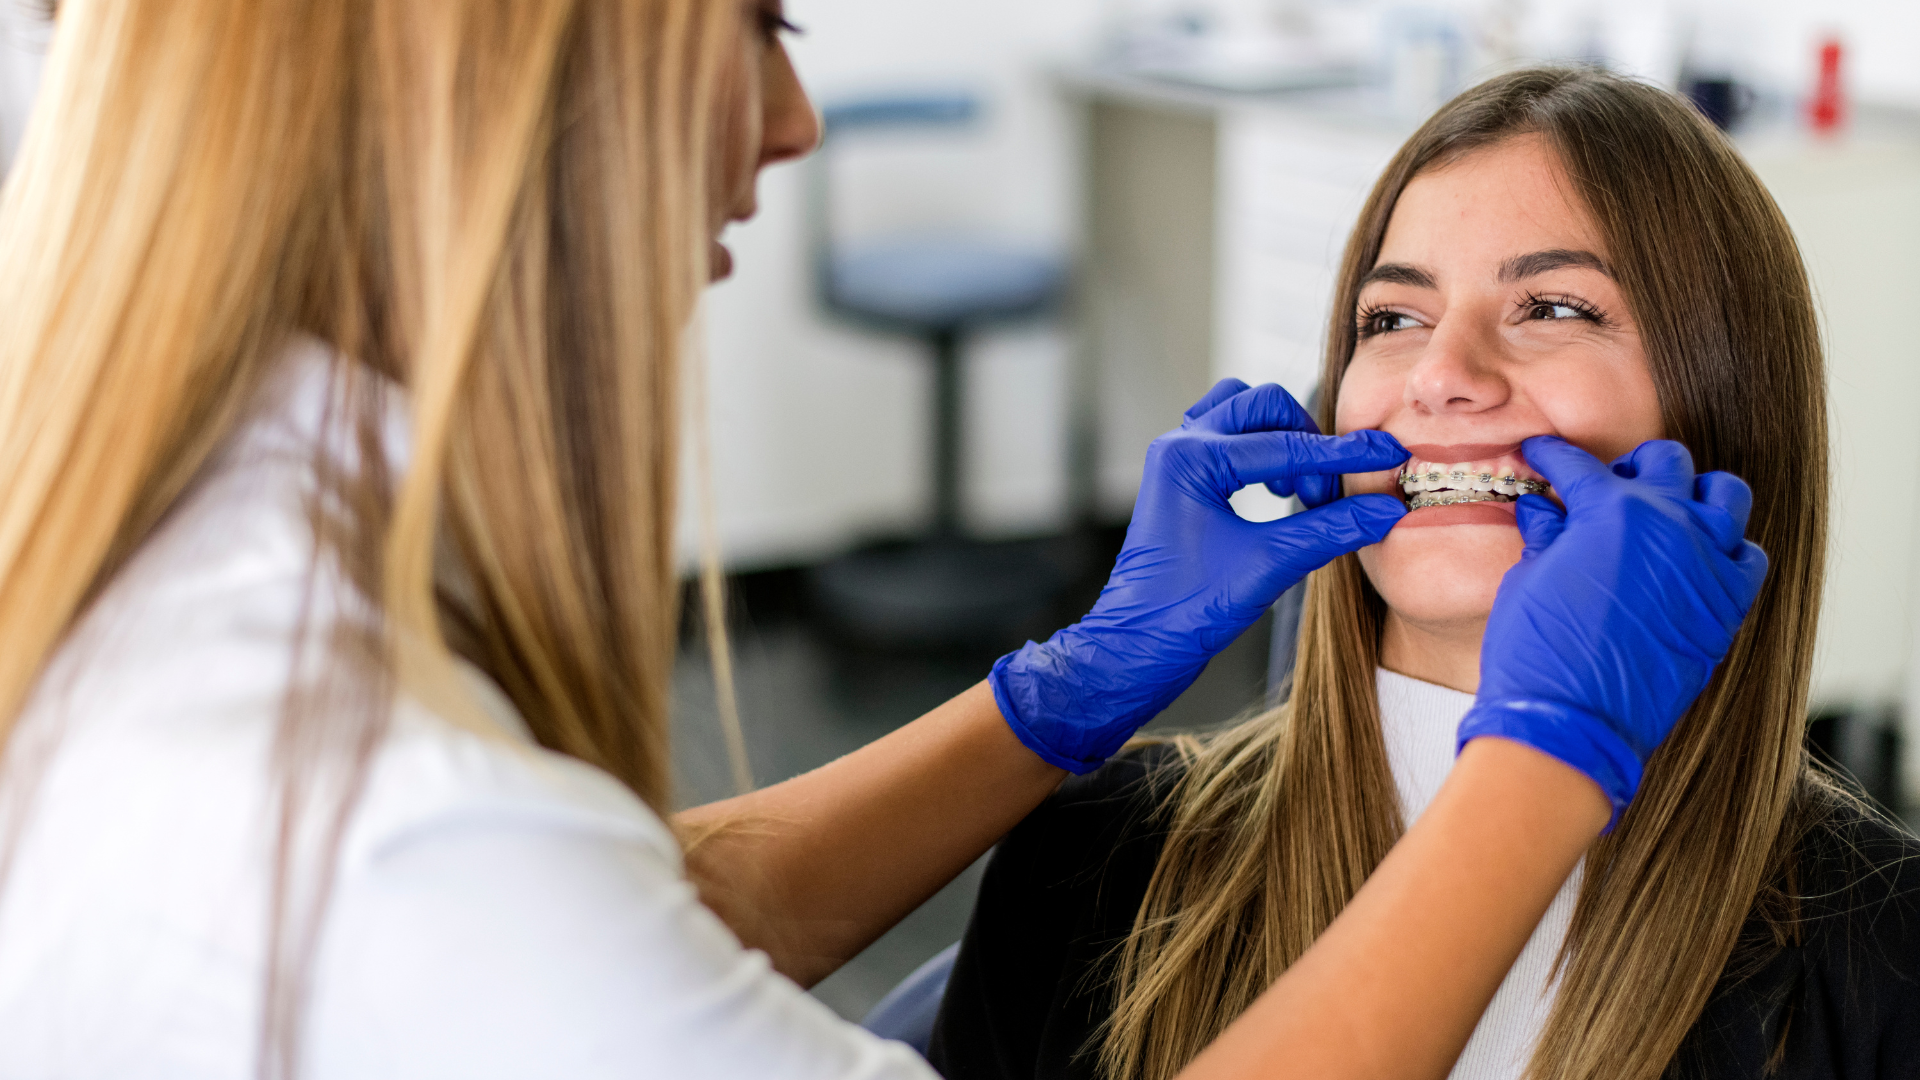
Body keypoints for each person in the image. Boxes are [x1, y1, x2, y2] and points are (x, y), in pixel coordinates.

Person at [0, 7, 1764, 1080]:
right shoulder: (1105, 875)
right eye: (756, 14)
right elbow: (502, 914)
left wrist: (1052, 697)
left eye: (1548, 308)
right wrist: (1544, 765)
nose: (791, 117)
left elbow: (632, 914)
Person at [929, 65, 1920, 1080]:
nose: (1442, 375)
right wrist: (1069, 680)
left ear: (1730, 406)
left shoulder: (1888, 961)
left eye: (1555, 307)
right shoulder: (1093, 861)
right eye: (1392, 320)